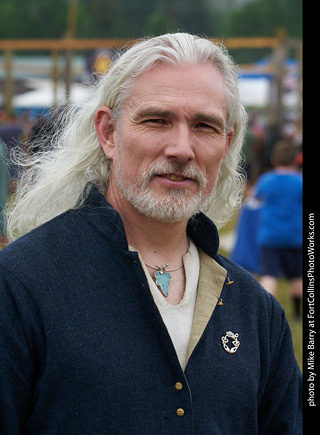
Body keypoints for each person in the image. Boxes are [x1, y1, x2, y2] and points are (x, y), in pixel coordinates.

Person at [0, 33, 302, 434]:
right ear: (109, 133)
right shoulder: (20, 285)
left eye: (204, 126)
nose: (181, 148)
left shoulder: (257, 313)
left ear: (227, 145)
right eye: (157, 120)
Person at [253, 140, 303, 320]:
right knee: (297, 276)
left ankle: (266, 315)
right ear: (296, 160)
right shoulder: (300, 182)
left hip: (270, 236)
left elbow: (256, 197)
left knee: (269, 275)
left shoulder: (266, 179)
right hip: (295, 237)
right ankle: (298, 314)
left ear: (274, 160)